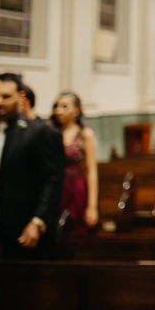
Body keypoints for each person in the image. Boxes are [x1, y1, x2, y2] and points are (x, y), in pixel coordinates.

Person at [0, 74, 64, 259]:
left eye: (6, 96)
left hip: (20, 225)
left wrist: (38, 220)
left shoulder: (39, 132)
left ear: (20, 96)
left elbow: (52, 181)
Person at [50, 93, 98, 235]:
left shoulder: (84, 134)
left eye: (64, 107)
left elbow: (91, 170)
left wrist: (92, 206)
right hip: (57, 189)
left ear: (76, 110)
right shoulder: (52, 133)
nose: (59, 111)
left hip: (77, 189)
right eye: (57, 106)